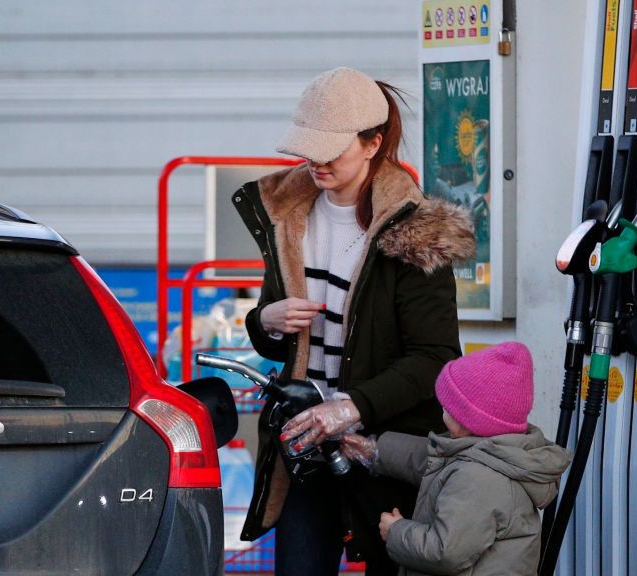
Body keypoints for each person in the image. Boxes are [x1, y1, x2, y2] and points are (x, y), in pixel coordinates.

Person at [232, 67, 475, 576]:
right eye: (308, 147)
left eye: (331, 148)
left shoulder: (415, 232)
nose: (316, 161)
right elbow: (278, 345)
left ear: (373, 144)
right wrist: (266, 321)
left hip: (385, 449)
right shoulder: (288, 217)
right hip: (303, 439)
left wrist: (349, 409)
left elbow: (436, 358)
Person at [341, 342, 572, 576]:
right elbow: (431, 458)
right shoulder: (491, 453)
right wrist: (374, 449)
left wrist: (396, 532)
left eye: (448, 406)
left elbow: (444, 552)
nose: (442, 410)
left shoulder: (480, 479)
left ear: (469, 420)